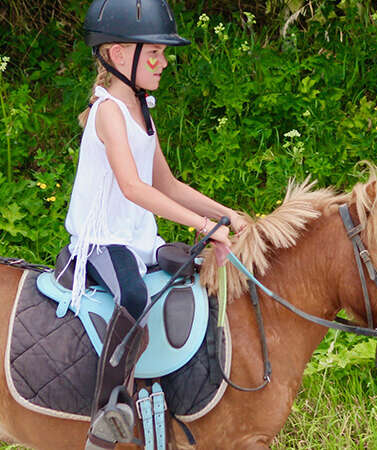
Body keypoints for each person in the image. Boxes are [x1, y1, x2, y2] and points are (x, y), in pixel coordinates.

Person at [64, 0, 247, 447]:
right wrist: (205, 224)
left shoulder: (142, 109)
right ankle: (110, 410)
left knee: (181, 277)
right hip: (102, 243)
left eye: (163, 54)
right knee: (133, 293)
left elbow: (165, 183)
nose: (163, 62)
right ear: (120, 55)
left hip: (135, 239)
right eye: (155, 53)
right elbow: (134, 188)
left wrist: (228, 214)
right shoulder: (109, 111)